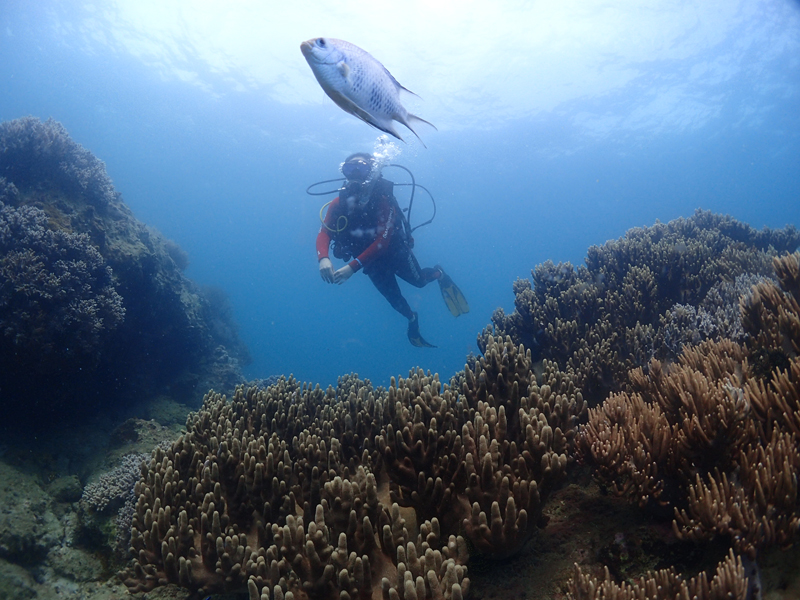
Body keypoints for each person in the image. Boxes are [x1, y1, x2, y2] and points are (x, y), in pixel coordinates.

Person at [316, 152, 469, 347]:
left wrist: (352, 267)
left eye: (361, 168)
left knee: (420, 282)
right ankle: (412, 319)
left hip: (395, 253)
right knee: (394, 300)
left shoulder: (382, 199)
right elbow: (324, 232)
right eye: (349, 169)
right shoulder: (339, 203)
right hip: (370, 262)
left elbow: (383, 241)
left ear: (370, 172)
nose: (354, 175)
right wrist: (323, 258)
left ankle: (439, 274)